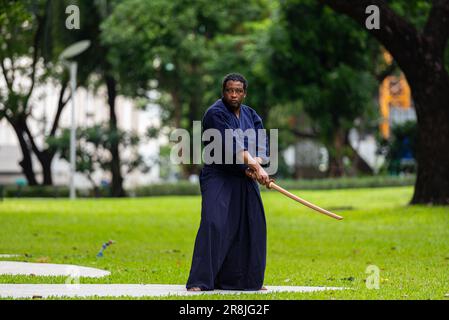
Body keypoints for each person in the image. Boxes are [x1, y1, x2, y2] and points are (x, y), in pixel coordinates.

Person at [186, 73, 270, 291]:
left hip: (244, 176)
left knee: (253, 225)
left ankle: (242, 281)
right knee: (214, 222)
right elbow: (232, 146)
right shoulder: (215, 114)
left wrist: (256, 164)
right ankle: (200, 281)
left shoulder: (251, 115)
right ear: (223, 92)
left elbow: (262, 148)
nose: (233, 94)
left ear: (244, 93)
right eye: (229, 90)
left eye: (238, 91)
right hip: (219, 175)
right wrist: (256, 167)